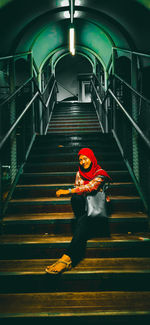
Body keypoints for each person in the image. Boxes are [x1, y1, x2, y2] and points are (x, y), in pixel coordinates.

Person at [45, 147, 111, 274]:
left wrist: (68, 191)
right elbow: (78, 190)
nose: (82, 162)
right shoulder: (79, 173)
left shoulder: (100, 173)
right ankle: (82, 228)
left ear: (91, 158)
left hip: (97, 210)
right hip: (85, 210)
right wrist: (74, 192)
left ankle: (66, 258)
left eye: (85, 158)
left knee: (82, 218)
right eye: (80, 160)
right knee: (76, 200)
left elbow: (90, 188)